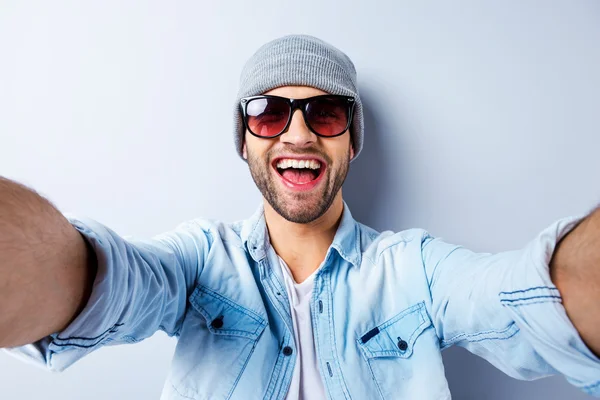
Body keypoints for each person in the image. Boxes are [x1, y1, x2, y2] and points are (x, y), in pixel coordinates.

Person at [0, 34, 599, 400]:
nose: (298, 133)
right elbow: (103, 281)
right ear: (244, 140)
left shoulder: (414, 270)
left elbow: (522, 298)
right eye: (268, 114)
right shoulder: (200, 260)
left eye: (326, 112)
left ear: (352, 138)